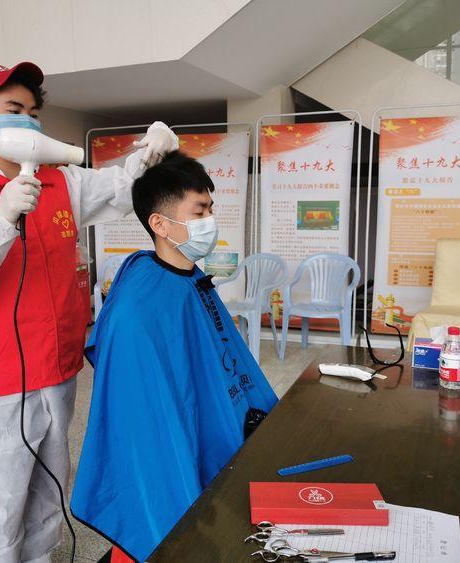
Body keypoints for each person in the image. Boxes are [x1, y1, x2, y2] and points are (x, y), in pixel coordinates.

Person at [0, 61, 178, 563]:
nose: (28, 120)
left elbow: (119, 189)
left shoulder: (61, 183)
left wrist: (152, 152)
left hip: (56, 367)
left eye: (33, 112)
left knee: (49, 485)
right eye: (14, 109)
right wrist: (0, 215)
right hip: (0, 377)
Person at [70, 151, 278, 562]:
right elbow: (148, 419)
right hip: (162, 453)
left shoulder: (190, 278)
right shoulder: (137, 308)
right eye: (199, 211)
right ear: (160, 224)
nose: (210, 220)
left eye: (210, 209)